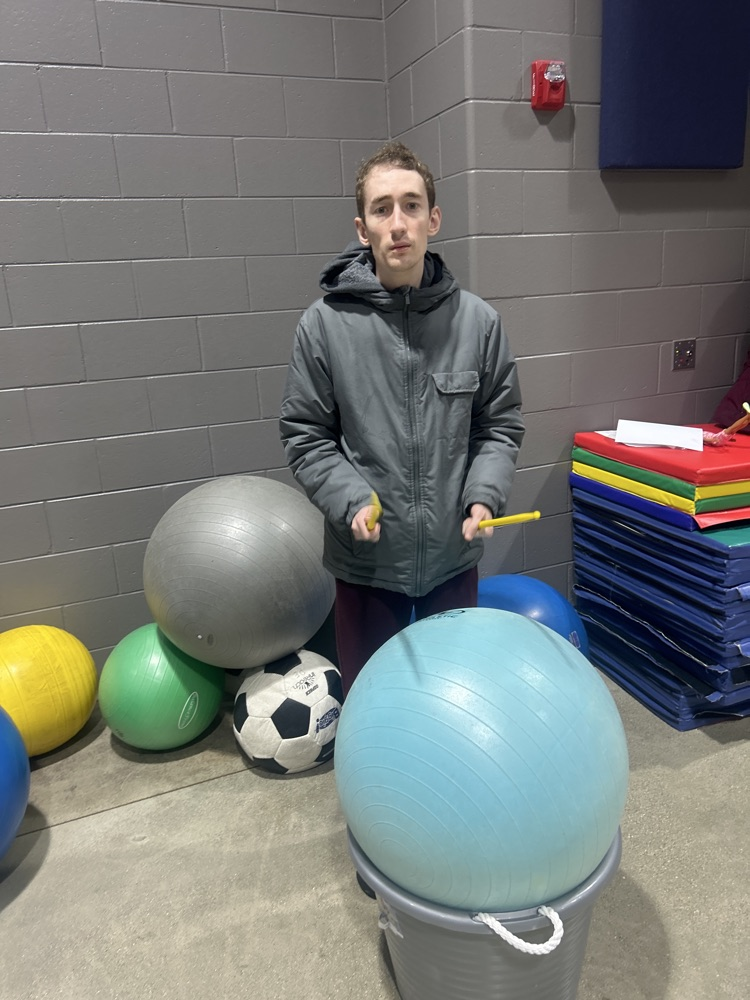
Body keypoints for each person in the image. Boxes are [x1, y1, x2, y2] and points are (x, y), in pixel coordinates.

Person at [279, 141, 524, 696]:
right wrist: (350, 500)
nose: (398, 223)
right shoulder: (323, 326)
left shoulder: (479, 323)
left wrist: (483, 495)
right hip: (367, 564)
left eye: (412, 206)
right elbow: (306, 434)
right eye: (382, 208)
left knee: (453, 695)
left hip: (451, 559)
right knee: (372, 701)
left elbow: (499, 425)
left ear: (433, 219)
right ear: (362, 228)